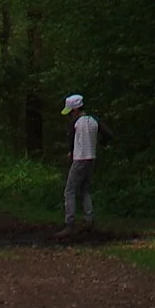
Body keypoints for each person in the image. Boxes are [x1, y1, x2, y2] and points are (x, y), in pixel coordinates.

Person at [60, 93, 99, 233]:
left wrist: (71, 152)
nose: (70, 115)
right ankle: (89, 220)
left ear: (75, 110)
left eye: (70, 112)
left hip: (79, 159)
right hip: (91, 159)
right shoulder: (94, 120)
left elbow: (71, 141)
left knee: (69, 190)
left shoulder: (75, 123)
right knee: (85, 190)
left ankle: (69, 223)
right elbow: (108, 134)